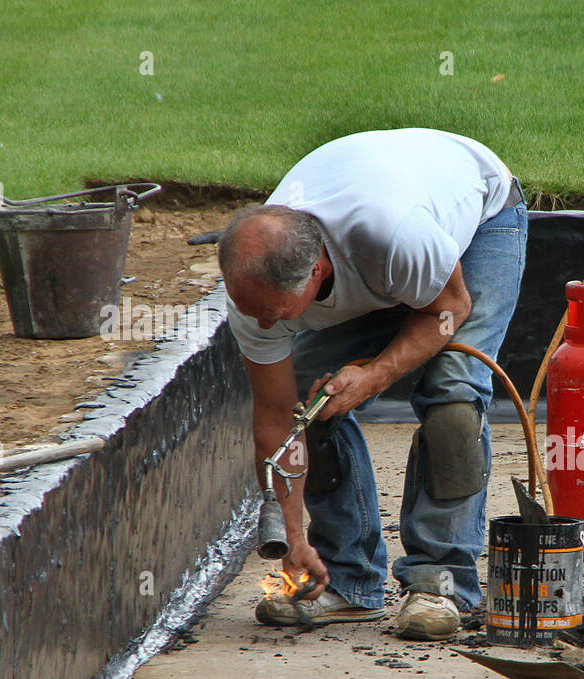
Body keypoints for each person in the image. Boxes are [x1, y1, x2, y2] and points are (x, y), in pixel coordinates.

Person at [218, 129, 527, 640]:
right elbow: (276, 422)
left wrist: (376, 374)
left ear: (315, 273)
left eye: (277, 314)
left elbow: (449, 309)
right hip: (384, 250)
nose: (266, 327)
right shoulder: (256, 296)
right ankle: (342, 578)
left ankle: (438, 583)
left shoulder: (394, 236)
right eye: (255, 314)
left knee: (454, 400)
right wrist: (295, 539)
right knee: (312, 408)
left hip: (478, 220)